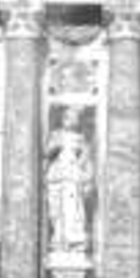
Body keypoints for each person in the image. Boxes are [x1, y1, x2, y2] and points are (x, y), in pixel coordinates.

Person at [45, 105, 94, 252]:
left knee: (71, 209)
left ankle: (73, 240)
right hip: (56, 176)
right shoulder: (55, 135)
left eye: (74, 118)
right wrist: (56, 145)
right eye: (68, 117)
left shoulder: (80, 138)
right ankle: (58, 238)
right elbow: (47, 152)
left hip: (71, 176)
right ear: (63, 119)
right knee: (55, 209)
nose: (71, 121)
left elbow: (86, 156)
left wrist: (81, 167)